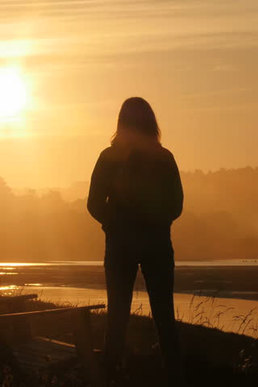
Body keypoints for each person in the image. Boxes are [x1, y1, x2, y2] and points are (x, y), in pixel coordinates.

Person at [87, 97, 184, 386]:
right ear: (151, 123)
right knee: (164, 312)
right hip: (156, 244)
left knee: (117, 311)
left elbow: (93, 203)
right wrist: (157, 222)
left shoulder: (108, 157)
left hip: (120, 244)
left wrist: (112, 224)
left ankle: (111, 370)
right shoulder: (164, 157)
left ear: (121, 123)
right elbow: (176, 204)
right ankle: (174, 373)